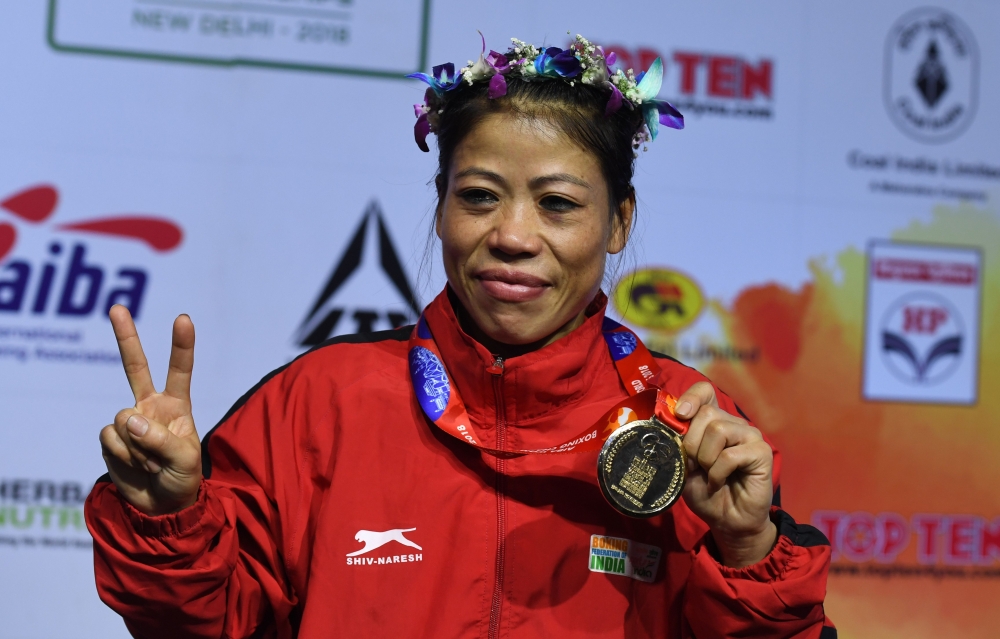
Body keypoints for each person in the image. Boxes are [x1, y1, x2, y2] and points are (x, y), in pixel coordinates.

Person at [86, 34, 835, 639]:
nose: (512, 235)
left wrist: (747, 550)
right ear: (440, 205)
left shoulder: (687, 425)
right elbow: (210, 623)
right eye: (478, 196)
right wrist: (167, 519)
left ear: (619, 222)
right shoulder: (321, 402)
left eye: (557, 204)